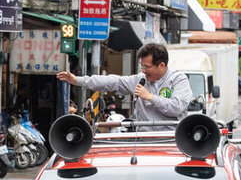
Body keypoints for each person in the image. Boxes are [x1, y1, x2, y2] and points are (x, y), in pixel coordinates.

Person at [56, 43, 193, 131]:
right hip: (143, 140)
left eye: (147, 67)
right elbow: (112, 81)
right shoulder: (140, 79)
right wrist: (78, 80)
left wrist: (150, 97)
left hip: (170, 141)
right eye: (142, 66)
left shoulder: (178, 79)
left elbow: (176, 108)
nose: (143, 70)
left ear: (161, 65)